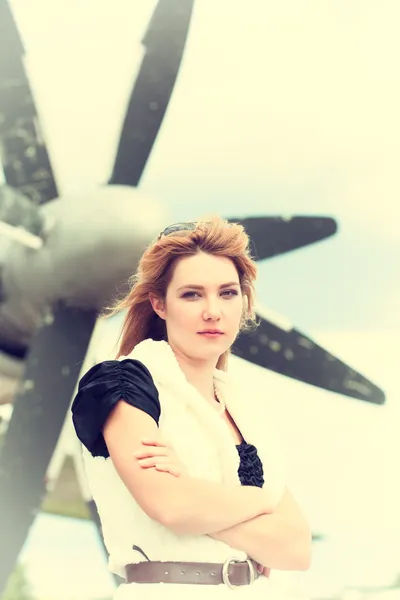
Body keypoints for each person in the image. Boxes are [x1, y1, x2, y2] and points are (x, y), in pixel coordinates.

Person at [71, 216, 311, 599]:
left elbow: (297, 548)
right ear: (159, 304)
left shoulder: (245, 410)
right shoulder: (122, 386)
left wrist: (196, 495)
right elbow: (172, 507)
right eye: (192, 294)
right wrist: (259, 504)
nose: (213, 311)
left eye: (228, 293)